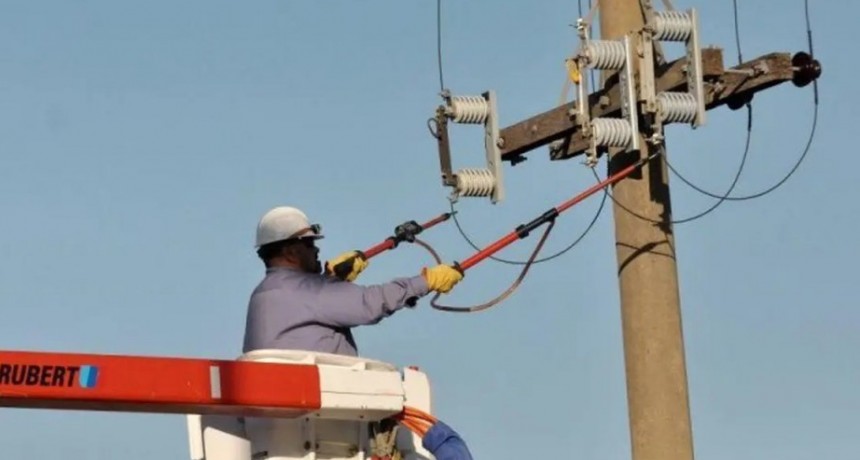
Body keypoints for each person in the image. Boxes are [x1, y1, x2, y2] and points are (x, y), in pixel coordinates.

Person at [242, 205, 463, 356]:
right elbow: (370, 303)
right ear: (290, 252)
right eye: (309, 244)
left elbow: (308, 306)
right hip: (321, 401)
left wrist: (331, 280)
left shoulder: (264, 294)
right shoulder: (310, 291)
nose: (316, 250)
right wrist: (426, 281)